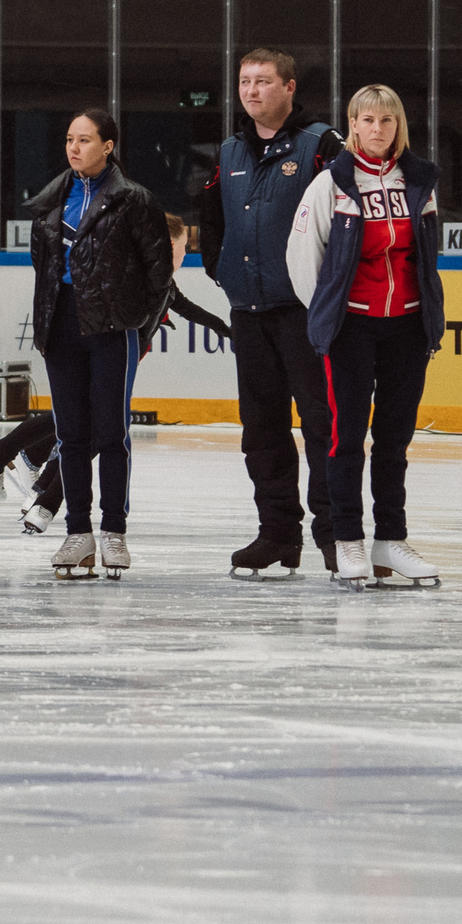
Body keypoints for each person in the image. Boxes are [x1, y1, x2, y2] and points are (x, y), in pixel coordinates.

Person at [0, 214, 228, 533]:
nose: (185, 254)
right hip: (99, 360)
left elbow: (183, 304)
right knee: (93, 427)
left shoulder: (161, 279)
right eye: (181, 247)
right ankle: (26, 480)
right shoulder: (132, 273)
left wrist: (222, 327)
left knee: (78, 425)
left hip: (114, 363)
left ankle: (19, 471)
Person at [285, 84, 446, 591]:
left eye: (387, 121)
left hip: (407, 326)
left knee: (395, 440)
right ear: (352, 125)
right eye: (367, 121)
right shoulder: (330, 184)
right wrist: (330, 315)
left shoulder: (420, 182)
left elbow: (427, 256)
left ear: (399, 126)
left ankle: (389, 541)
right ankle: (349, 538)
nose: (377, 130)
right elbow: (303, 258)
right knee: (345, 437)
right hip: (352, 329)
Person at [197, 47, 342, 576]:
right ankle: (278, 534)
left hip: (308, 314)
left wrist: (327, 287)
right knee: (261, 429)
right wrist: (220, 267)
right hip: (249, 312)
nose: (251, 91)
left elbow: (348, 219)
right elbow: (209, 216)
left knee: (325, 425)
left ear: (289, 87)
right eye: (244, 82)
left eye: (262, 81)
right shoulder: (230, 151)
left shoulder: (320, 145)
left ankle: (334, 535)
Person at [26, 109, 171, 580]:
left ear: (108, 146)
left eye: (84, 139)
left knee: (111, 432)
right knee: (70, 436)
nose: (74, 147)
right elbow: (41, 264)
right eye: (69, 139)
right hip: (61, 324)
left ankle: (113, 530)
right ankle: (77, 533)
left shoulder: (134, 200)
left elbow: (159, 273)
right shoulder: (52, 199)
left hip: (112, 328)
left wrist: (133, 319)